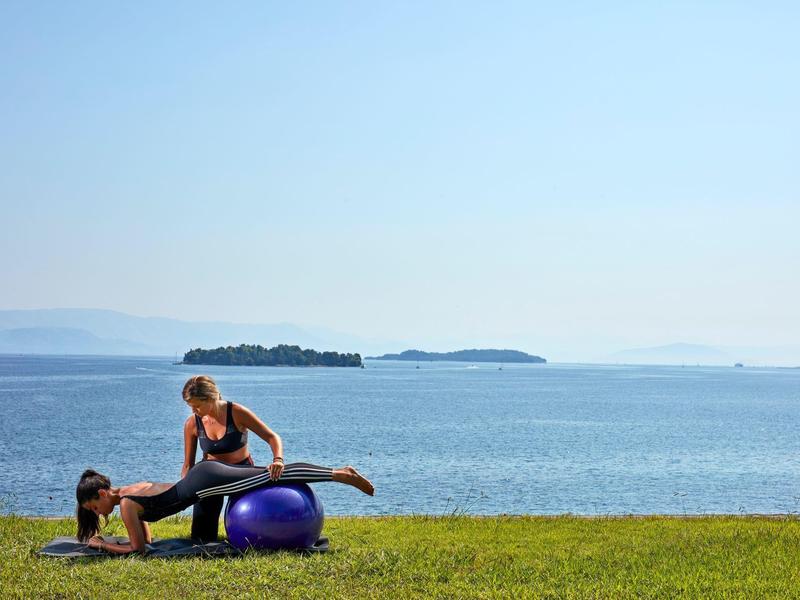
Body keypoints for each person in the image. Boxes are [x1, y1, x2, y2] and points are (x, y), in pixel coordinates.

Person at [76, 459, 374, 554]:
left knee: (267, 477)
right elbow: (148, 541)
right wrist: (126, 538)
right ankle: (338, 474)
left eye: (92, 507)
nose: (96, 513)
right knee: (263, 476)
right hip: (201, 479)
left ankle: (339, 475)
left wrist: (101, 545)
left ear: (103, 493)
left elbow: (138, 550)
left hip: (204, 484)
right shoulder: (129, 494)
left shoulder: (127, 504)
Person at [180, 375, 285, 542]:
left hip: (241, 473)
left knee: (246, 537)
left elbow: (272, 437)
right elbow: (188, 465)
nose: (193, 411)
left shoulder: (236, 412)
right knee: (201, 540)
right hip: (210, 479)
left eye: (197, 406)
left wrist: (278, 459)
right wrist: (185, 490)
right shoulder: (192, 423)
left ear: (210, 398)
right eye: (190, 406)